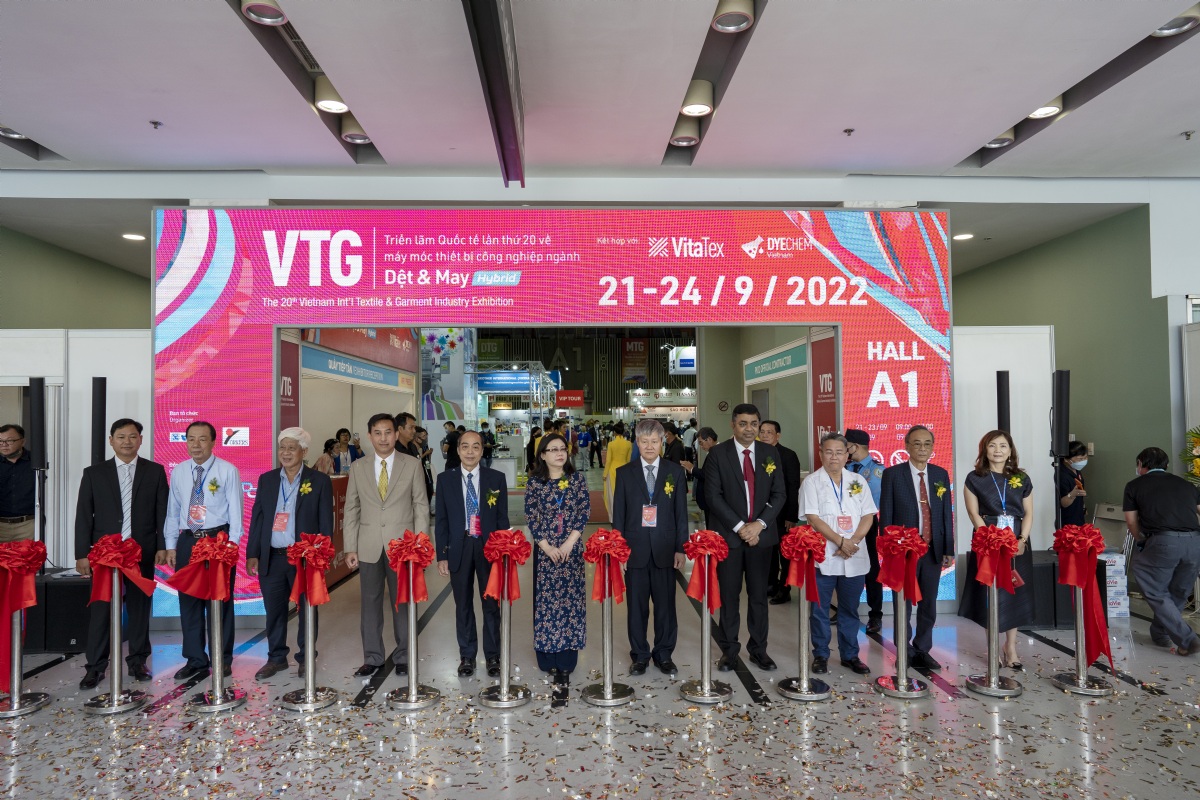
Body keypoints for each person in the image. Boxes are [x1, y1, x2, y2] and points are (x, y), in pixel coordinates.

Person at [74, 418, 168, 689]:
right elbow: (84, 515)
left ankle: (137, 661)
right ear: (111, 440)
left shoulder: (155, 471)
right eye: (121, 437)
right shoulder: (94, 473)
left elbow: (162, 513)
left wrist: (162, 546)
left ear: (141, 440)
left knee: (139, 609)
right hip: (105, 555)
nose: (127, 441)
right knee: (101, 611)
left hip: (142, 552)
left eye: (133, 436)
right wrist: (82, 553)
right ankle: (95, 667)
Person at [343, 413, 429, 677]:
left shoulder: (412, 464)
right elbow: (351, 508)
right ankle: (372, 657)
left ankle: (404, 655)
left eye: (388, 432)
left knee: (403, 602)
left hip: (403, 547)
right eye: (378, 433)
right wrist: (350, 547)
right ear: (370, 436)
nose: (383, 438)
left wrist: (420, 545)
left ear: (396, 434)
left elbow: (420, 506)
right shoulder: (358, 467)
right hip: (368, 545)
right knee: (369, 603)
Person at [246, 427, 334, 681]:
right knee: (274, 611)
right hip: (272, 557)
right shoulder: (267, 479)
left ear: (303, 452)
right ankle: (276, 658)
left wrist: (322, 555)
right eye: (282, 447)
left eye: (291, 448)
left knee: (307, 609)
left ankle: (306, 657)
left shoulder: (319, 481)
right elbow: (258, 518)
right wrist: (253, 553)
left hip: (304, 559)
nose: (285, 453)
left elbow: (325, 523)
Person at [704, 403, 785, 672]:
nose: (749, 429)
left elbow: (779, 494)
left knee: (759, 597)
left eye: (754, 424)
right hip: (730, 538)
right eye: (743, 424)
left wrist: (759, 525)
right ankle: (729, 651)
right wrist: (741, 527)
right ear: (733, 425)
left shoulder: (769, 452)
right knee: (729, 597)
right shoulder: (718, 454)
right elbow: (713, 496)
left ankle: (759, 650)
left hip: (761, 538)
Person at [165, 421, 244, 680]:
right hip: (188, 541)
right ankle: (195, 659)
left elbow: (236, 512)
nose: (196, 445)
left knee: (220, 602)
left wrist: (232, 545)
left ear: (213, 442)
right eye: (191, 439)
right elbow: (173, 511)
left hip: (217, 541)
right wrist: (171, 545)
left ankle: (222, 658)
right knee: (189, 602)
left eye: (202, 439)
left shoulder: (227, 470)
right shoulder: (179, 471)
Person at [612, 419, 688, 675]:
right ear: (637, 442)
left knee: (666, 607)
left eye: (654, 441)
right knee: (637, 608)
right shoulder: (625, 473)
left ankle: (664, 654)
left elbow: (681, 514)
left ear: (662, 442)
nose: (649, 446)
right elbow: (619, 515)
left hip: (665, 549)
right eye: (644, 441)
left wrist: (681, 548)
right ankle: (640, 655)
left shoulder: (674, 472)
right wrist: (619, 550)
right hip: (635, 550)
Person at [878, 425, 955, 670]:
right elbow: (886, 514)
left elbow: (946, 514)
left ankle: (922, 649)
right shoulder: (893, 474)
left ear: (932, 448)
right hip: (904, 551)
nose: (922, 449)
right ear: (907, 446)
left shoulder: (940, 474)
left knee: (928, 604)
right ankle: (904, 650)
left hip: (933, 550)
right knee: (903, 603)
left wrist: (948, 548)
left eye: (927, 444)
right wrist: (888, 548)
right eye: (917, 444)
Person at [802, 433, 877, 675]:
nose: (834, 457)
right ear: (821, 454)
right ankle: (821, 655)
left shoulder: (858, 480)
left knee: (849, 609)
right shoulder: (812, 482)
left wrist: (852, 542)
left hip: (853, 554)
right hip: (825, 555)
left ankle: (850, 655)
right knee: (820, 609)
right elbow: (813, 518)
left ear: (847, 455)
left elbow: (868, 515)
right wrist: (840, 541)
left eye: (839, 452)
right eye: (829, 452)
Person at [958, 430, 1034, 669]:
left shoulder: (1022, 478)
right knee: (990, 594)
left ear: (1010, 450)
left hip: (1016, 539)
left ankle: (1010, 647)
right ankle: (992, 645)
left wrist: (1022, 539)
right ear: (984, 450)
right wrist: (989, 539)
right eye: (992, 445)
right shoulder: (974, 478)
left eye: (1003, 445)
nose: (998, 450)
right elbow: (973, 513)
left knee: (1014, 591)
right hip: (987, 539)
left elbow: (1028, 513)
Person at [436, 430, 509, 677]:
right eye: (465, 447)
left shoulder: (496, 479)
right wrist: (442, 555)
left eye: (475, 447)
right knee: (463, 604)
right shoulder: (445, 479)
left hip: (488, 547)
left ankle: (493, 656)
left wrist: (503, 551)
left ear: (482, 450)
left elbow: (502, 518)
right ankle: (467, 656)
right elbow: (441, 521)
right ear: (457, 450)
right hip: (460, 546)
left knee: (491, 604)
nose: (470, 452)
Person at [1124, 446, 1200, 656]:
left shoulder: (1134, 485)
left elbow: (1131, 522)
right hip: (1194, 542)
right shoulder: (1187, 485)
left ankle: (1188, 639)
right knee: (1179, 590)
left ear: (1141, 464)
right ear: (1166, 465)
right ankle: (1160, 633)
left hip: (1163, 541)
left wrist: (1141, 541)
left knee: (1151, 584)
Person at [526, 433, 589, 684]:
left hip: (571, 549)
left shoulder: (577, 480)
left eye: (562, 448)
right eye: (553, 449)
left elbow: (584, 511)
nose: (559, 453)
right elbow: (531, 516)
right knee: (547, 601)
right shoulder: (535, 483)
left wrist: (569, 543)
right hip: (546, 552)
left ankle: (567, 657)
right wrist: (546, 547)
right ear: (542, 455)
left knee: (571, 601)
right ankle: (547, 655)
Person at [758, 420, 802, 605]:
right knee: (768, 551)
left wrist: (792, 516)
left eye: (769, 432)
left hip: (783, 514)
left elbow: (793, 487)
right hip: (762, 514)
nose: (765, 435)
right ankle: (771, 584)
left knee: (784, 553)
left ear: (778, 435)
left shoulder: (788, 455)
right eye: (762, 431)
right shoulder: (757, 454)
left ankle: (785, 589)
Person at [845, 429, 885, 632]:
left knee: (871, 567)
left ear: (855, 446)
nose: (844, 450)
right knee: (843, 563)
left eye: (846, 446)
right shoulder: (845, 467)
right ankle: (844, 609)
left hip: (867, 522)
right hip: (844, 522)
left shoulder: (877, 471)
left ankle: (875, 614)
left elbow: (871, 501)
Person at [0, 423, 35, 542]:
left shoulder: (36, 461)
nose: (4, 444)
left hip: (28, 525)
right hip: (1, 526)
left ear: (22, 441)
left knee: (29, 554)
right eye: (0, 441)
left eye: (9, 441)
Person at [681, 427, 718, 527]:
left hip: (713, 501)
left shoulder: (716, 453)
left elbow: (707, 474)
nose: (701, 446)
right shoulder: (713, 452)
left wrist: (692, 469)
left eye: (701, 443)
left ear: (709, 439)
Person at [602, 421, 632, 521]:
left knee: (612, 495)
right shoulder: (628, 444)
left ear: (614, 432)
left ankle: (613, 517)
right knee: (624, 495)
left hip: (612, 471)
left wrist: (605, 474)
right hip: (625, 471)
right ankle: (624, 516)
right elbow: (628, 460)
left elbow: (608, 461)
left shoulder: (611, 444)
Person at [1058, 440, 1090, 527]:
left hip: (1078, 516)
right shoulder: (1062, 475)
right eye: (1080, 459)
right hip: (1067, 521)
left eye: (1085, 458)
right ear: (1066, 459)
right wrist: (1072, 495)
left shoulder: (1076, 470)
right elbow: (1063, 503)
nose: (1084, 461)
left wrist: (1083, 508)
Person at [415, 426, 434, 500]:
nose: (425, 438)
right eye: (423, 436)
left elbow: (428, 459)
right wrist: (426, 453)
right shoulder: (415, 447)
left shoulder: (425, 445)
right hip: (421, 468)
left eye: (426, 435)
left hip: (427, 466)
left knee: (430, 487)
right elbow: (418, 459)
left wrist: (429, 454)